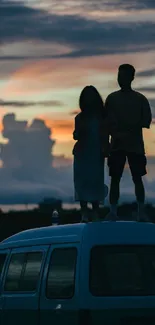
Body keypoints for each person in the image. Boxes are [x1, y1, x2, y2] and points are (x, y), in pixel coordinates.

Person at [105, 64, 152, 221]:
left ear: (132, 78)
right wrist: (115, 136)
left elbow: (146, 121)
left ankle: (141, 211)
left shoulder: (140, 99)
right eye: (119, 76)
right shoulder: (111, 99)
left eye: (124, 76)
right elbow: (106, 123)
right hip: (117, 145)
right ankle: (113, 211)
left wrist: (126, 132)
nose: (121, 79)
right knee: (115, 178)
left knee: (137, 178)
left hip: (135, 147)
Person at [73, 86, 109, 222]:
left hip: (96, 153)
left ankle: (94, 211)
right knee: (82, 182)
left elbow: (106, 136)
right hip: (82, 154)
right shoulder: (80, 118)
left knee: (95, 181)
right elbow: (76, 136)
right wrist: (79, 133)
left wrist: (106, 149)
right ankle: (84, 213)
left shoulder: (102, 118)